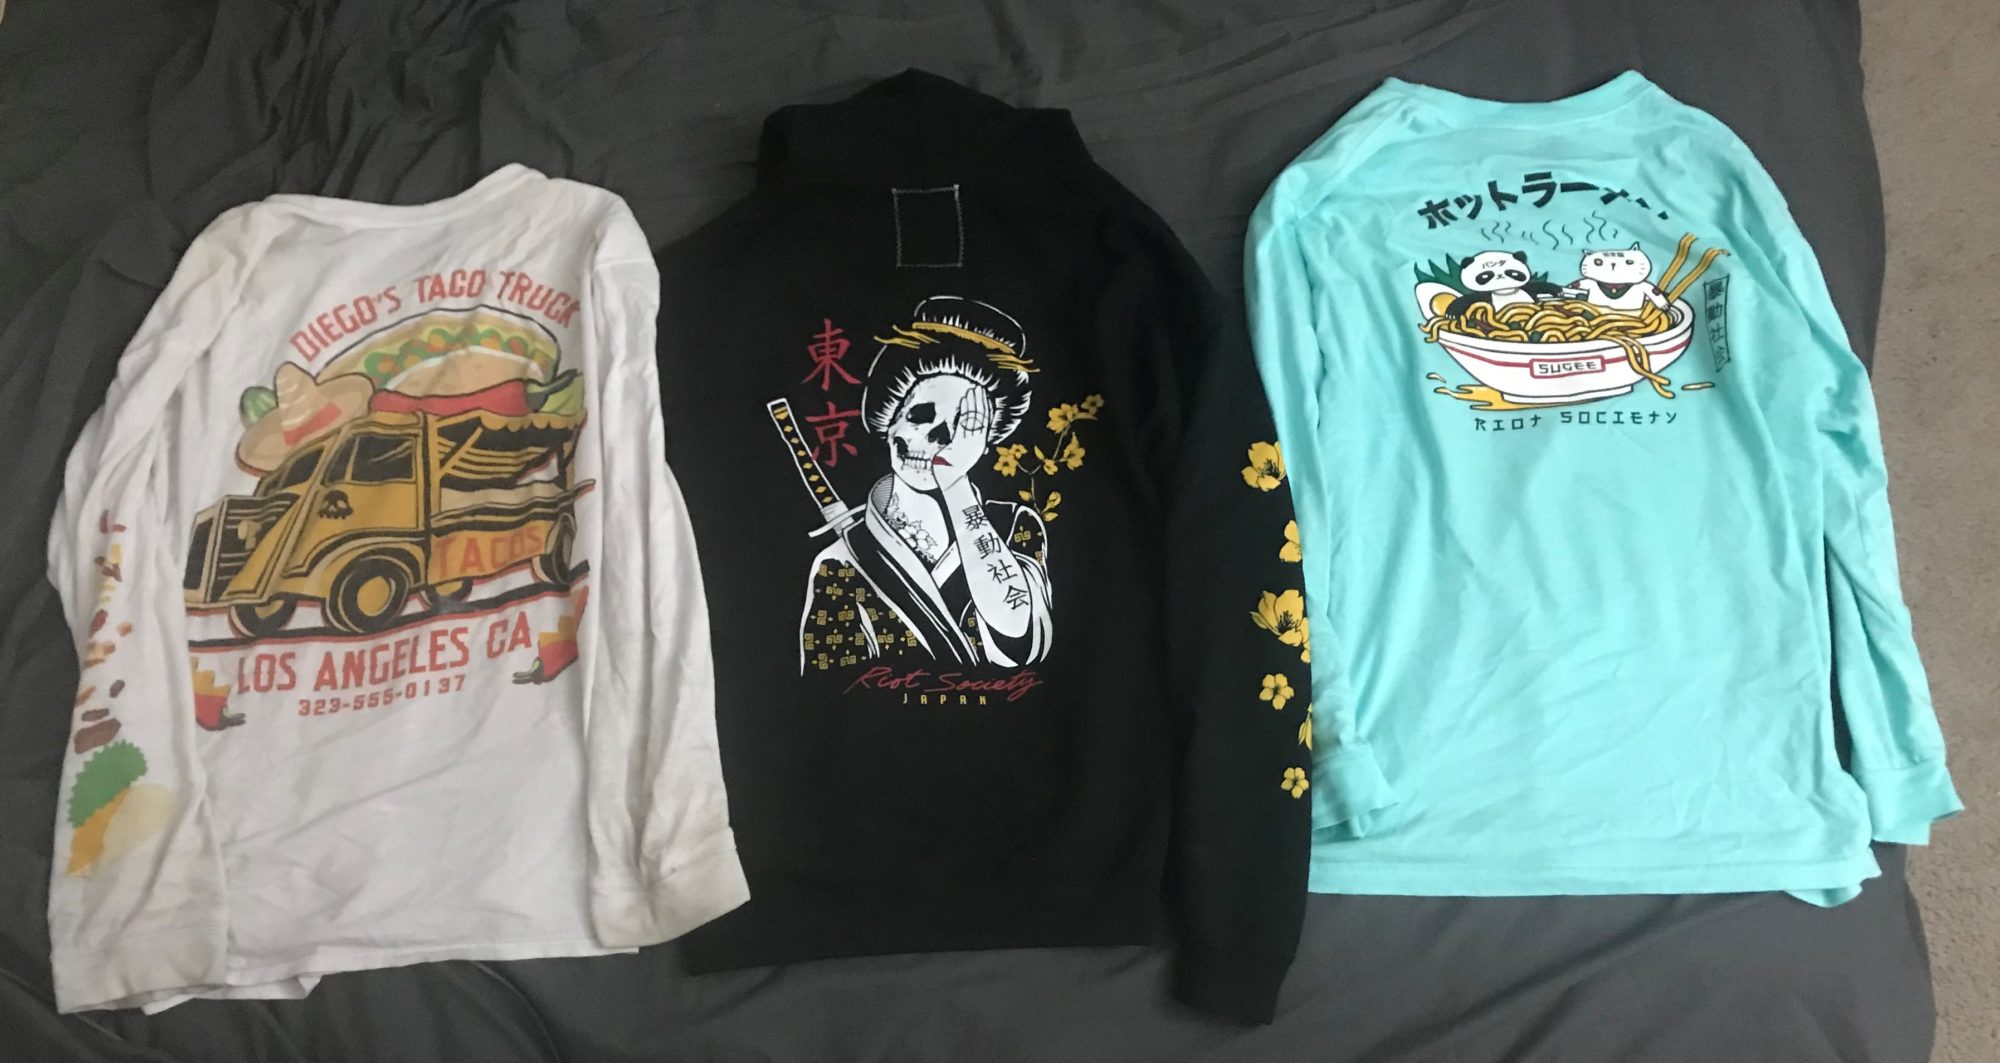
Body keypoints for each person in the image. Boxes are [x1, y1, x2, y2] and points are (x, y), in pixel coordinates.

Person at [797, 296, 1054, 673]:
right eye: (920, 416)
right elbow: (829, 688)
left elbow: (1021, 640)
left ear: (985, 445)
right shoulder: (839, 564)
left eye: (967, 425)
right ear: (889, 422)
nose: (941, 437)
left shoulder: (1016, 526)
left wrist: (954, 484)